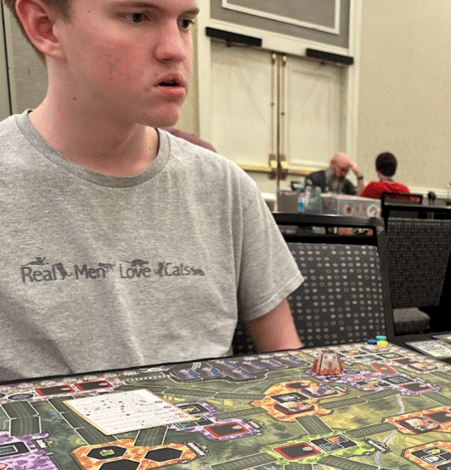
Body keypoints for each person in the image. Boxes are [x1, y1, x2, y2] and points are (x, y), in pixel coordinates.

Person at [0, 0, 304, 382]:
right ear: (45, 26)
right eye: (138, 16)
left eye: (185, 22)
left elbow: (290, 364)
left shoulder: (224, 187)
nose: (175, 49)